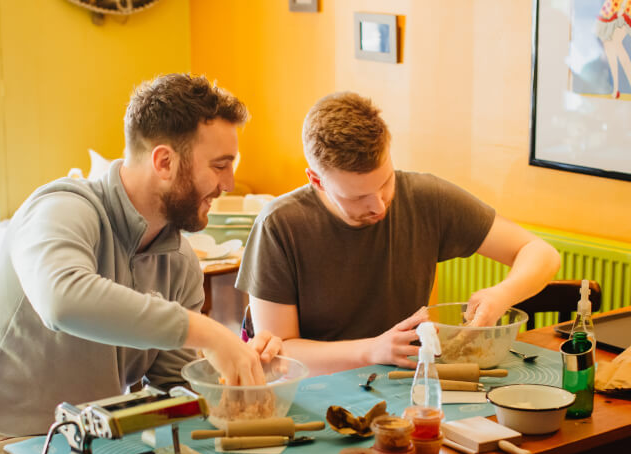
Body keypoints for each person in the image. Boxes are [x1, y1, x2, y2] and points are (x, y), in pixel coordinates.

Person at [0, 73, 280, 454]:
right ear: (164, 161)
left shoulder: (180, 261)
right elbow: (63, 300)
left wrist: (233, 374)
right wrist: (210, 332)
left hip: (90, 446)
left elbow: (176, 391)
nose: (230, 183)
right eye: (220, 164)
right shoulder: (62, 208)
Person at [236, 92, 560, 376]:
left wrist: (500, 296)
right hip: (314, 391)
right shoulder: (279, 225)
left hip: (402, 387)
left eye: (385, 182)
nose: (378, 206)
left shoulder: (426, 198)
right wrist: (373, 350)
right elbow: (278, 352)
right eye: (357, 197)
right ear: (317, 180)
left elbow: (540, 253)